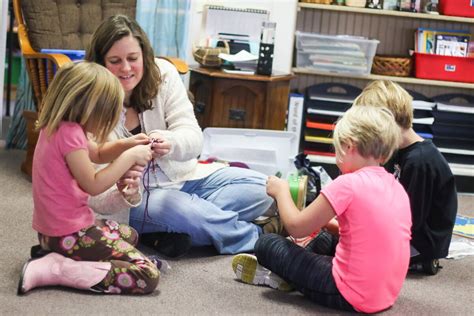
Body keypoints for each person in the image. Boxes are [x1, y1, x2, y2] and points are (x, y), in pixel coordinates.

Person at [85, 15, 276, 257]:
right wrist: (126, 190)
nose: (126, 68)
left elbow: (194, 138)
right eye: (115, 61)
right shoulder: (91, 102)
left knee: (263, 190)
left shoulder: (163, 74)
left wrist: (172, 142)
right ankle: (260, 238)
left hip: (186, 178)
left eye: (133, 59)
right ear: (100, 64)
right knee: (182, 210)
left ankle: (174, 232)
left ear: (144, 55)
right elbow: (93, 190)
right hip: (133, 201)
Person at [232, 106, 412, 313]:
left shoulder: (347, 183)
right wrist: (326, 223)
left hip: (347, 294)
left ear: (349, 146)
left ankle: (285, 275)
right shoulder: (395, 186)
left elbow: (295, 227)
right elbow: (368, 234)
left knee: (267, 243)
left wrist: (281, 191)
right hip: (384, 294)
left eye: (337, 149)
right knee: (326, 238)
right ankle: (291, 272)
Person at [18, 61, 160, 295]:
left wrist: (128, 144)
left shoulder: (62, 127)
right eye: (104, 115)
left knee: (129, 235)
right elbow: (92, 184)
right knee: (148, 275)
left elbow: (99, 152)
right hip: (68, 235)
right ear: (88, 107)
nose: (106, 122)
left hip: (53, 234)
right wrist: (129, 157)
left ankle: (62, 257)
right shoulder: (70, 135)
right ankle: (59, 268)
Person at [352, 80, 457, 271]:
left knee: (353, 251)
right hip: (407, 232)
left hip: (421, 242)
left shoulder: (420, 161)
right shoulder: (398, 150)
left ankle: (421, 262)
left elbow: (408, 220)